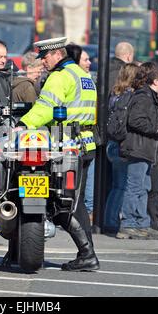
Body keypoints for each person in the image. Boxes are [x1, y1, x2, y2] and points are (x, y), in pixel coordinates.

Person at [18, 37, 100, 272]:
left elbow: (45, 107)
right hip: (84, 144)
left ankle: (88, 254)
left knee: (61, 203)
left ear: (56, 53)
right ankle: (87, 253)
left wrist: (23, 124)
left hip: (67, 145)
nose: (42, 61)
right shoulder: (82, 75)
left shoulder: (60, 76)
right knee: (76, 203)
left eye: (44, 56)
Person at [117, 67, 158, 240]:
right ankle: (128, 224)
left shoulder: (152, 98)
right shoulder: (144, 97)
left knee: (144, 187)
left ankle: (141, 224)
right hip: (138, 149)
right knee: (135, 187)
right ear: (156, 82)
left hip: (146, 149)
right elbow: (136, 121)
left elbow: (146, 119)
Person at [104, 63, 140, 233]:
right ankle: (120, 222)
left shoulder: (114, 93)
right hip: (123, 144)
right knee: (125, 186)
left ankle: (109, 220)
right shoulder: (131, 96)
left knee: (116, 186)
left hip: (111, 143)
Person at [66, 43, 95, 224]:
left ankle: (85, 246)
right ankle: (86, 246)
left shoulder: (67, 78)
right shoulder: (87, 80)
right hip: (86, 141)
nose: (90, 62)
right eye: (86, 59)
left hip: (70, 141)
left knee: (71, 196)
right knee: (79, 195)